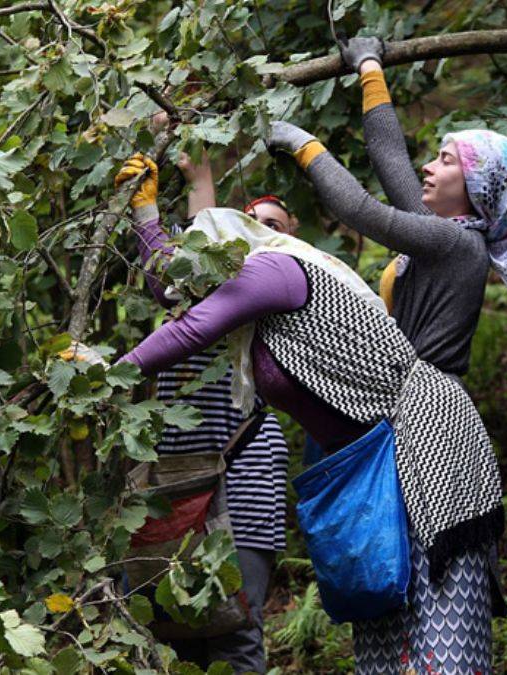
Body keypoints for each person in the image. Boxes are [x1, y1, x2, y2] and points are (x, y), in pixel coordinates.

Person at [119, 206, 505, 674]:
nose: (197, 284)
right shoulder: (252, 301)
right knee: (382, 614)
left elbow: (193, 327)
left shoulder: (273, 267)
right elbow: (174, 290)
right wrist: (145, 213)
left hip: (426, 444)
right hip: (367, 459)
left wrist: (107, 375)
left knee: (440, 627)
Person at [269, 36, 507, 377]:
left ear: (477, 185)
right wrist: (369, 66)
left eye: (446, 161)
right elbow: (389, 154)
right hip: (414, 393)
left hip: (429, 406)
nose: (428, 167)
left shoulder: (454, 242)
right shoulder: (452, 233)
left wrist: (301, 144)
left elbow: (359, 209)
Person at [113, 152, 293, 674]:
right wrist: (195, 177)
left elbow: (183, 279)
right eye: (245, 222)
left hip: (242, 471)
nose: (256, 232)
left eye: (271, 226)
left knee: (235, 633)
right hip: (173, 481)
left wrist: (155, 210)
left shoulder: (270, 278)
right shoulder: (209, 282)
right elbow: (193, 264)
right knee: (171, 635)